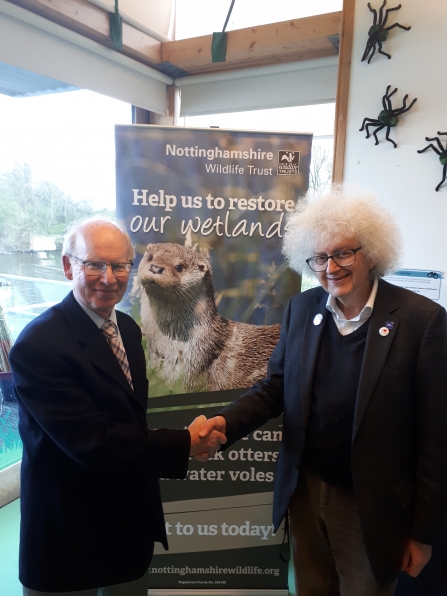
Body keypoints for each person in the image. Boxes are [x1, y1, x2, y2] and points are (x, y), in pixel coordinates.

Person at [199, 187, 447, 596]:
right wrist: (224, 423)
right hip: (305, 492)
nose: (330, 267)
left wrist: (424, 534)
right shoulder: (303, 308)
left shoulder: (423, 322)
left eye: (343, 253)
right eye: (319, 257)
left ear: (370, 253)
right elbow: (274, 387)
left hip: (373, 507)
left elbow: (437, 441)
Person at [10, 219, 225, 596]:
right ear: (67, 266)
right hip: (68, 534)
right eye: (94, 264)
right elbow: (93, 441)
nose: (108, 277)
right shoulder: (38, 345)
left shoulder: (127, 328)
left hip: (126, 524)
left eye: (120, 265)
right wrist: (184, 442)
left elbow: (130, 419)